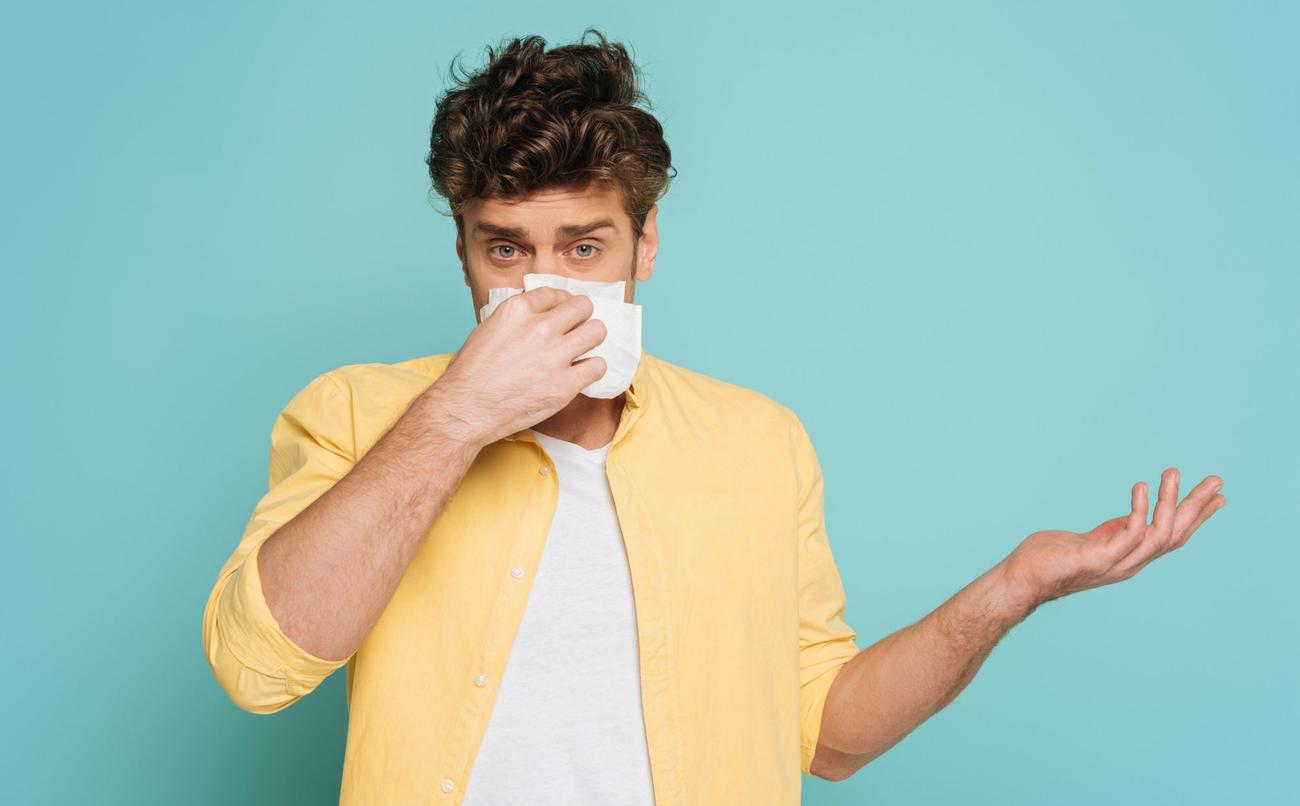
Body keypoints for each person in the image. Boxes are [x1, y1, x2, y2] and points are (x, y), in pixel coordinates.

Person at [200, 28, 1227, 806]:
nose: (543, 289)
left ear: (646, 245)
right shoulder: (359, 414)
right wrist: (458, 414)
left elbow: (827, 735)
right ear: (462, 251)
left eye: (584, 247)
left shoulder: (759, 443)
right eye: (505, 250)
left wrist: (1013, 587)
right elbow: (257, 664)